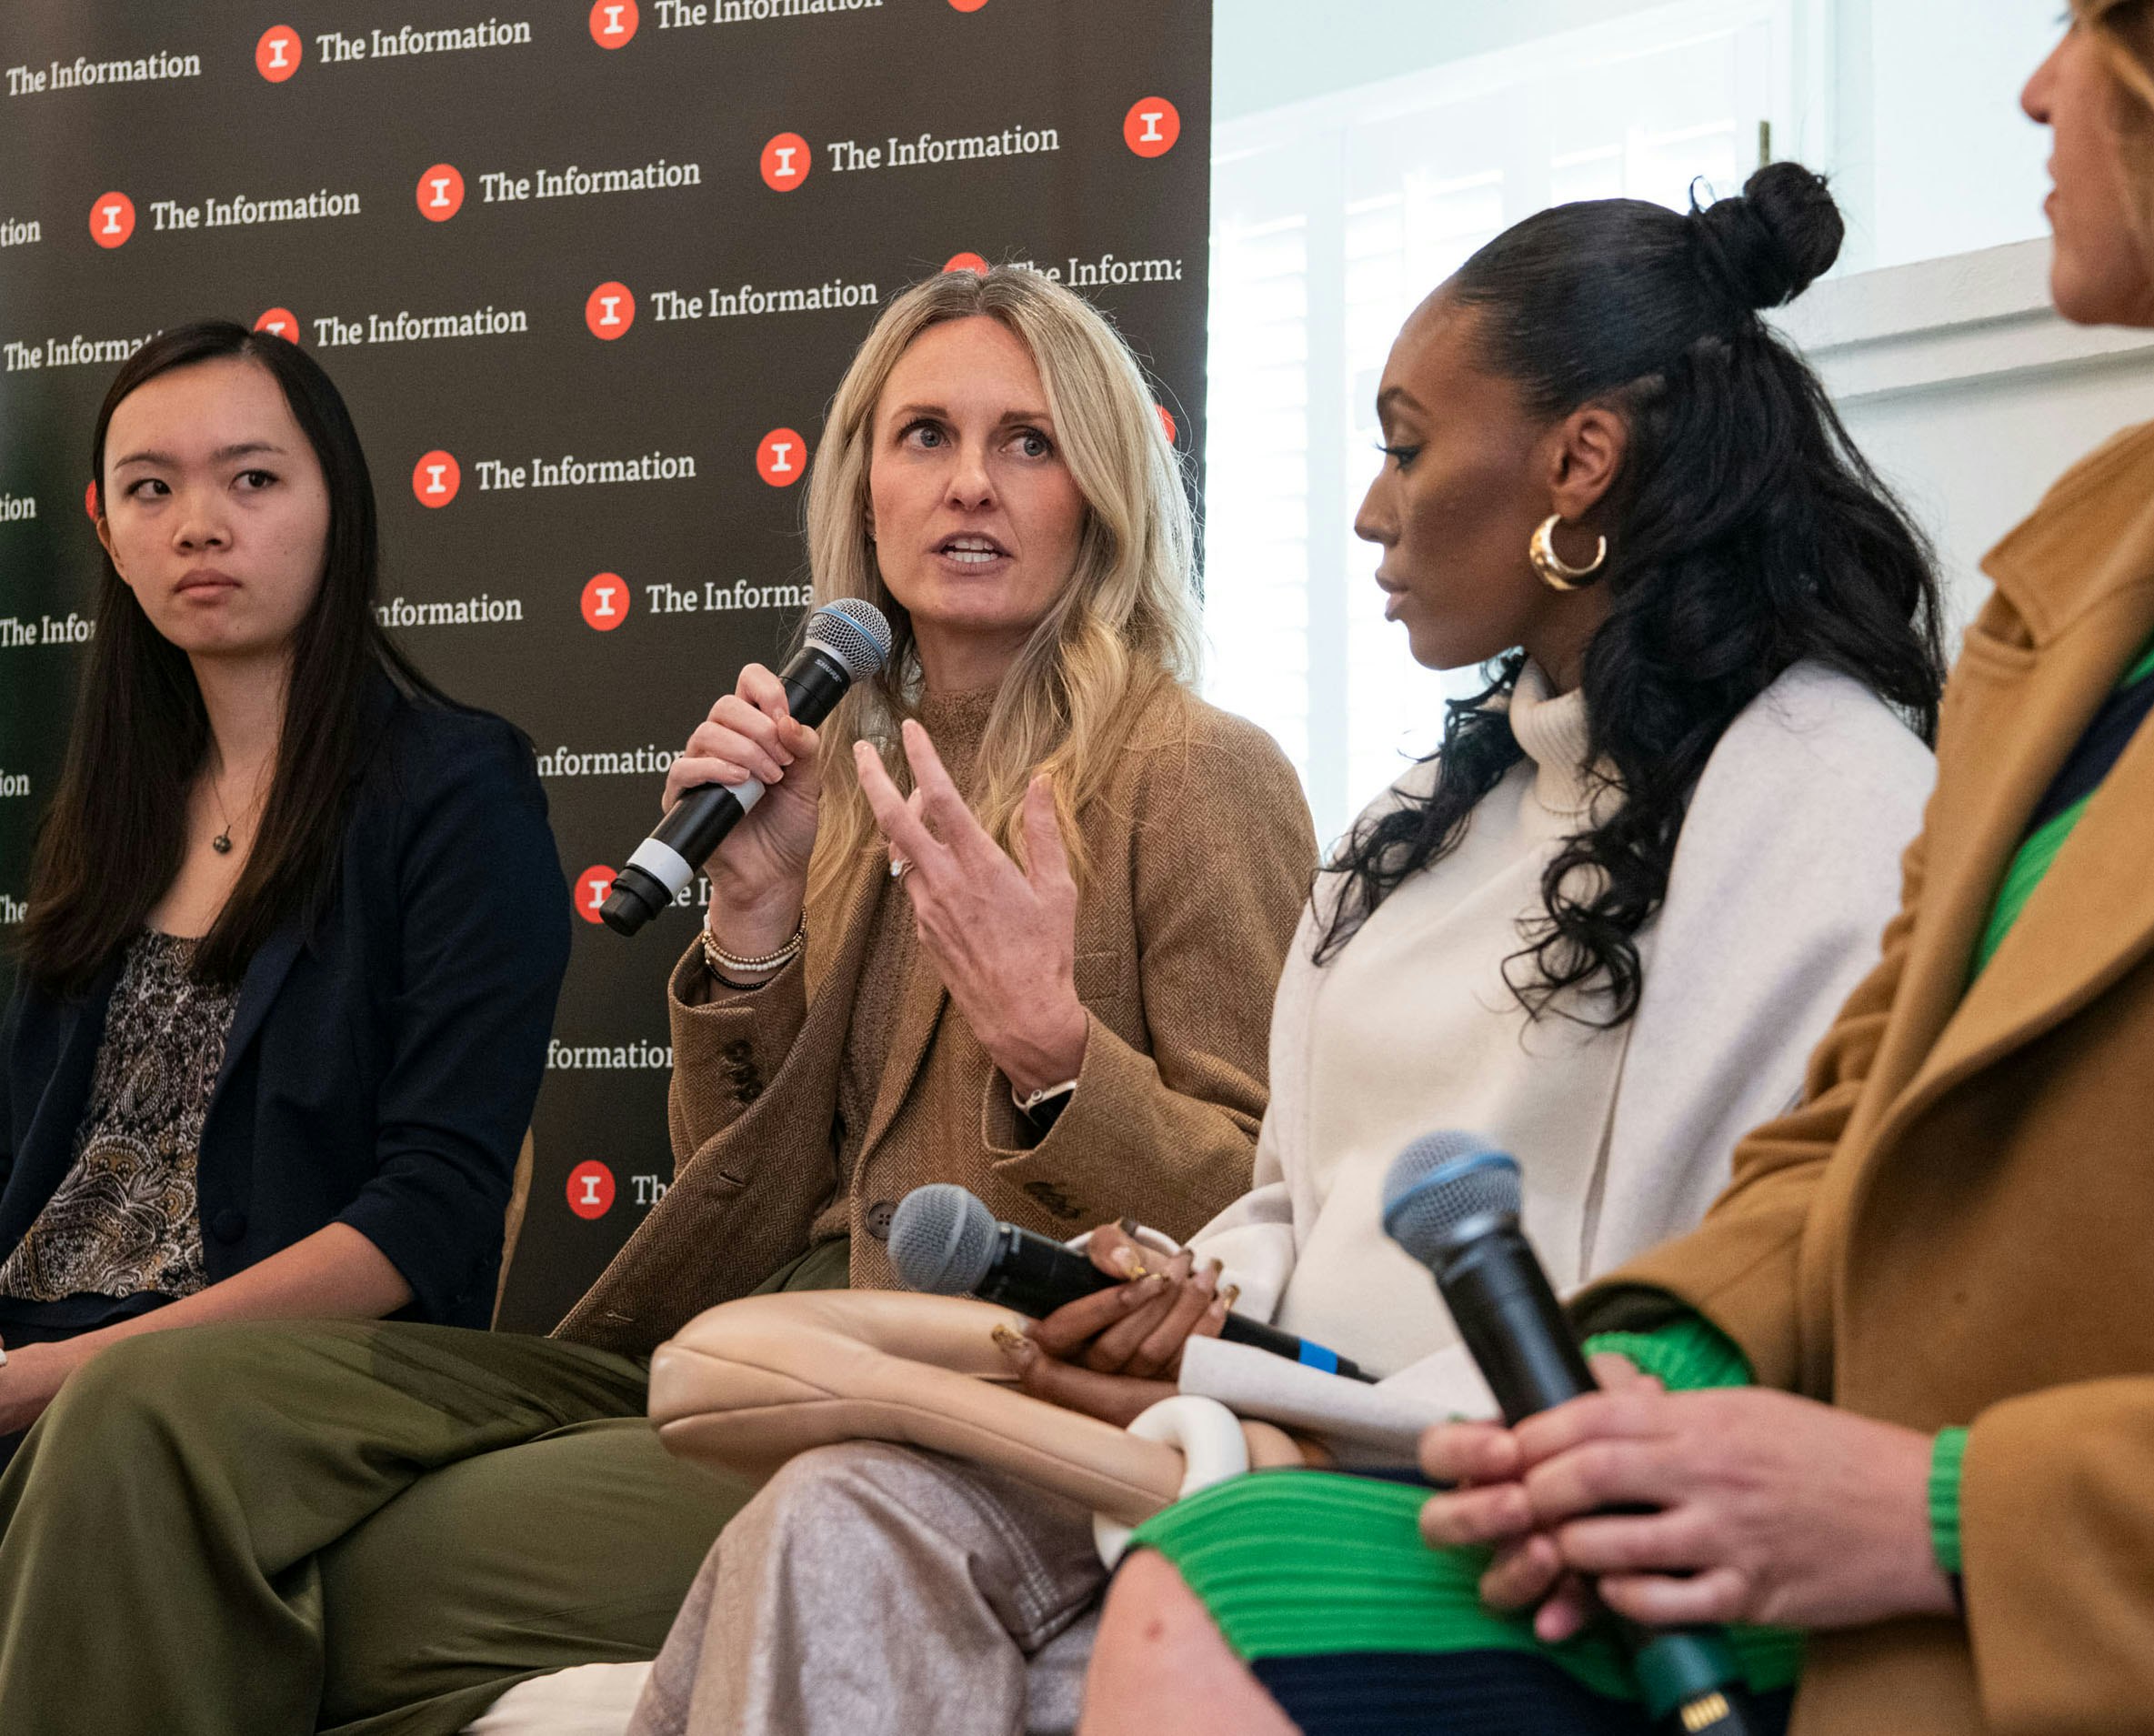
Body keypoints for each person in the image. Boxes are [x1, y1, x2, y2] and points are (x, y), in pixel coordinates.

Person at [1083, 3, 2154, 1733]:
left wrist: (1931, 1509)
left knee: (1217, 1590)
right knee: (1208, 1566)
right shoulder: (2104, 543)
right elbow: (1849, 1131)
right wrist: (1641, 1390)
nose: (2037, 86)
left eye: (2095, 24)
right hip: (1876, 1519)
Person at [633, 163, 1943, 1736]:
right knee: (834, 1523)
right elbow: (1279, 1205)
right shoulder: (1431, 809)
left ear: (1577, 465)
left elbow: (1730, 1295)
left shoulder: (1811, 789)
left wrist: (1055, 1055)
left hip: (1474, 1488)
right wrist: (1197, 1303)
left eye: (1403, 448)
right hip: (1235, 1421)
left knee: (857, 1523)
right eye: (924, 439)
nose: (1368, 508)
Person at [0, 268, 1315, 1736]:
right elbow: (743, 1191)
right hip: (764, 1341)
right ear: (860, 488)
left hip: (993, 1388)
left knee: (357, 1579)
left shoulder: (1193, 769)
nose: (968, 486)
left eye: (1027, 443)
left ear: (1105, 487)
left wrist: (1049, 1051)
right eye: (923, 436)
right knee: (170, 1448)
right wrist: (751, 924)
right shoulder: (846, 772)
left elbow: (1260, 1210)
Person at [0, 320, 566, 1468]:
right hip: (36, 1360)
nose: (200, 524)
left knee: (112, 1431)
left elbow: (435, 1205)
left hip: (248, 1391)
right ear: (106, 534)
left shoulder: (452, 790)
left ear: (335, 506)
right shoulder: (112, 810)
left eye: (252, 479)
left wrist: (63, 1378)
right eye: (150, 490)